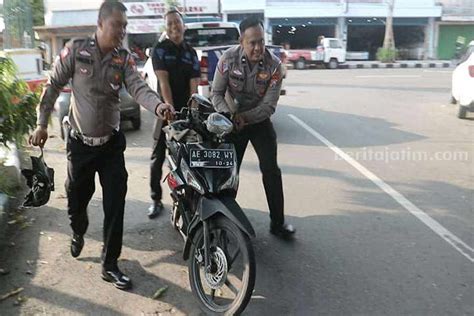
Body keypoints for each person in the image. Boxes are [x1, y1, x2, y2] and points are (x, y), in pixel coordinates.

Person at [29, 0, 174, 290]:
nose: (122, 31)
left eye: (125, 26)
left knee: (115, 205)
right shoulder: (75, 49)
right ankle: (78, 231)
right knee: (76, 200)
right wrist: (42, 123)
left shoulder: (123, 58)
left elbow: (137, 86)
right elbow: (53, 84)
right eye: (117, 25)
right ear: (101, 24)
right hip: (80, 146)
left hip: (110, 146)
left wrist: (158, 106)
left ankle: (110, 264)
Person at [211, 17, 295, 239]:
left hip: (258, 123)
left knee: (271, 171)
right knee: (229, 174)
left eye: (261, 41)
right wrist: (228, 116)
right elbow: (216, 94)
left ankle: (278, 223)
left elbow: (269, 106)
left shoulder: (274, 65)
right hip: (231, 122)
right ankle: (223, 224)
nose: (258, 47)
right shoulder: (227, 59)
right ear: (241, 41)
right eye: (252, 43)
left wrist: (244, 118)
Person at [147, 9, 200, 219]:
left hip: (186, 112)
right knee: (157, 157)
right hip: (165, 111)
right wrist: (169, 109)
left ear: (183, 25)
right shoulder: (159, 50)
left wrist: (192, 112)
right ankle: (155, 199)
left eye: (177, 23)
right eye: (169, 24)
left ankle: (187, 198)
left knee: (188, 158)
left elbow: (194, 85)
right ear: (166, 28)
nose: (174, 27)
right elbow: (163, 82)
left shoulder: (191, 52)